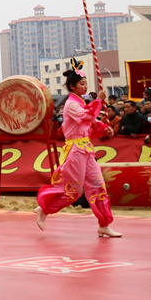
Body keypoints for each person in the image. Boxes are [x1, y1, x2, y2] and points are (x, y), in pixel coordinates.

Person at [35, 59, 121, 238]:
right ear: (73, 87)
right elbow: (87, 116)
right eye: (82, 84)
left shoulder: (80, 102)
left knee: (98, 186)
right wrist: (98, 100)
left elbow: (92, 120)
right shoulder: (71, 105)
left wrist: (104, 128)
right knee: (72, 189)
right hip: (75, 150)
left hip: (86, 149)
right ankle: (44, 208)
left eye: (86, 84)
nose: (85, 86)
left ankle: (104, 223)